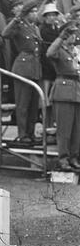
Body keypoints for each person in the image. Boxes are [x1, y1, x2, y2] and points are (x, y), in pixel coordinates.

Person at [2, 0, 42, 146]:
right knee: (23, 103)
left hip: (35, 68)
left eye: (36, 11)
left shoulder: (35, 28)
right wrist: (16, 19)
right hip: (23, 67)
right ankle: (23, 134)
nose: (35, 14)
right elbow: (5, 34)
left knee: (33, 105)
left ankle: (30, 133)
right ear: (26, 13)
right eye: (32, 11)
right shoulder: (19, 25)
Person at [47, 21, 80, 171]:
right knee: (64, 129)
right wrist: (60, 37)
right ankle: (63, 159)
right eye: (70, 34)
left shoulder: (76, 51)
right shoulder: (59, 50)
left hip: (77, 91)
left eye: (74, 33)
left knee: (76, 129)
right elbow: (49, 53)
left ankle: (74, 157)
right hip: (63, 91)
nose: (74, 36)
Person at [39, 3, 61, 128]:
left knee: (52, 99)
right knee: (46, 99)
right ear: (45, 17)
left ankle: (52, 124)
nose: (52, 17)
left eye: (54, 15)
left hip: (54, 68)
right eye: (50, 15)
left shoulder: (56, 29)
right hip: (46, 67)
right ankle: (46, 126)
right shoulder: (43, 29)